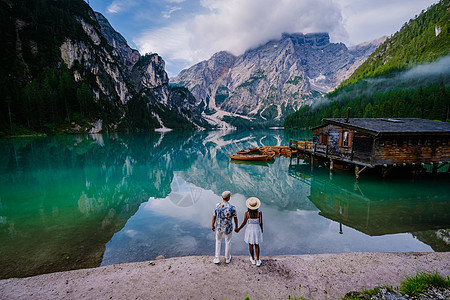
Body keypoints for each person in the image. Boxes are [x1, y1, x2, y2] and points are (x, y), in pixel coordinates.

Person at [211, 191, 238, 264]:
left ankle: (217, 258)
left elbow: (214, 216)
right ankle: (227, 258)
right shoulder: (232, 207)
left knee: (218, 241)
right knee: (228, 242)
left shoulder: (217, 205)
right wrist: (236, 227)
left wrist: (212, 225)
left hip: (219, 226)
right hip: (228, 227)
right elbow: (235, 218)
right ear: (228, 198)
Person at [236, 197, 263, 267]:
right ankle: (257, 260)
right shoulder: (259, 213)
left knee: (250, 244)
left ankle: (253, 259)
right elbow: (261, 222)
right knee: (257, 244)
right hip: (257, 229)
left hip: (250, 230)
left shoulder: (247, 213)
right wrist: (262, 229)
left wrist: (239, 228)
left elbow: (244, 222)